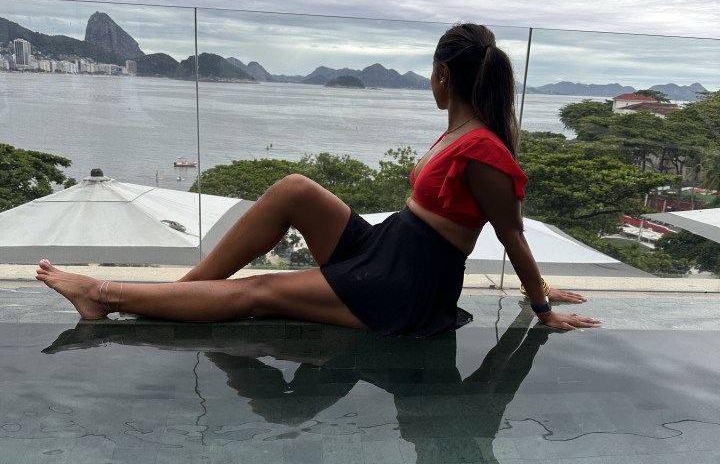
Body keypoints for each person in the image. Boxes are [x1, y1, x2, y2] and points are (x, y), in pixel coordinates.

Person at [36, 23, 600, 333]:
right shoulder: (461, 132)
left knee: (258, 292)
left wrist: (542, 306)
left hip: (406, 283)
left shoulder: (483, 149)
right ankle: (179, 295)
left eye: (432, 74)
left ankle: (102, 295)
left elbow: (511, 233)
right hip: (387, 246)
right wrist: (543, 292)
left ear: (442, 75)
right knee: (294, 189)